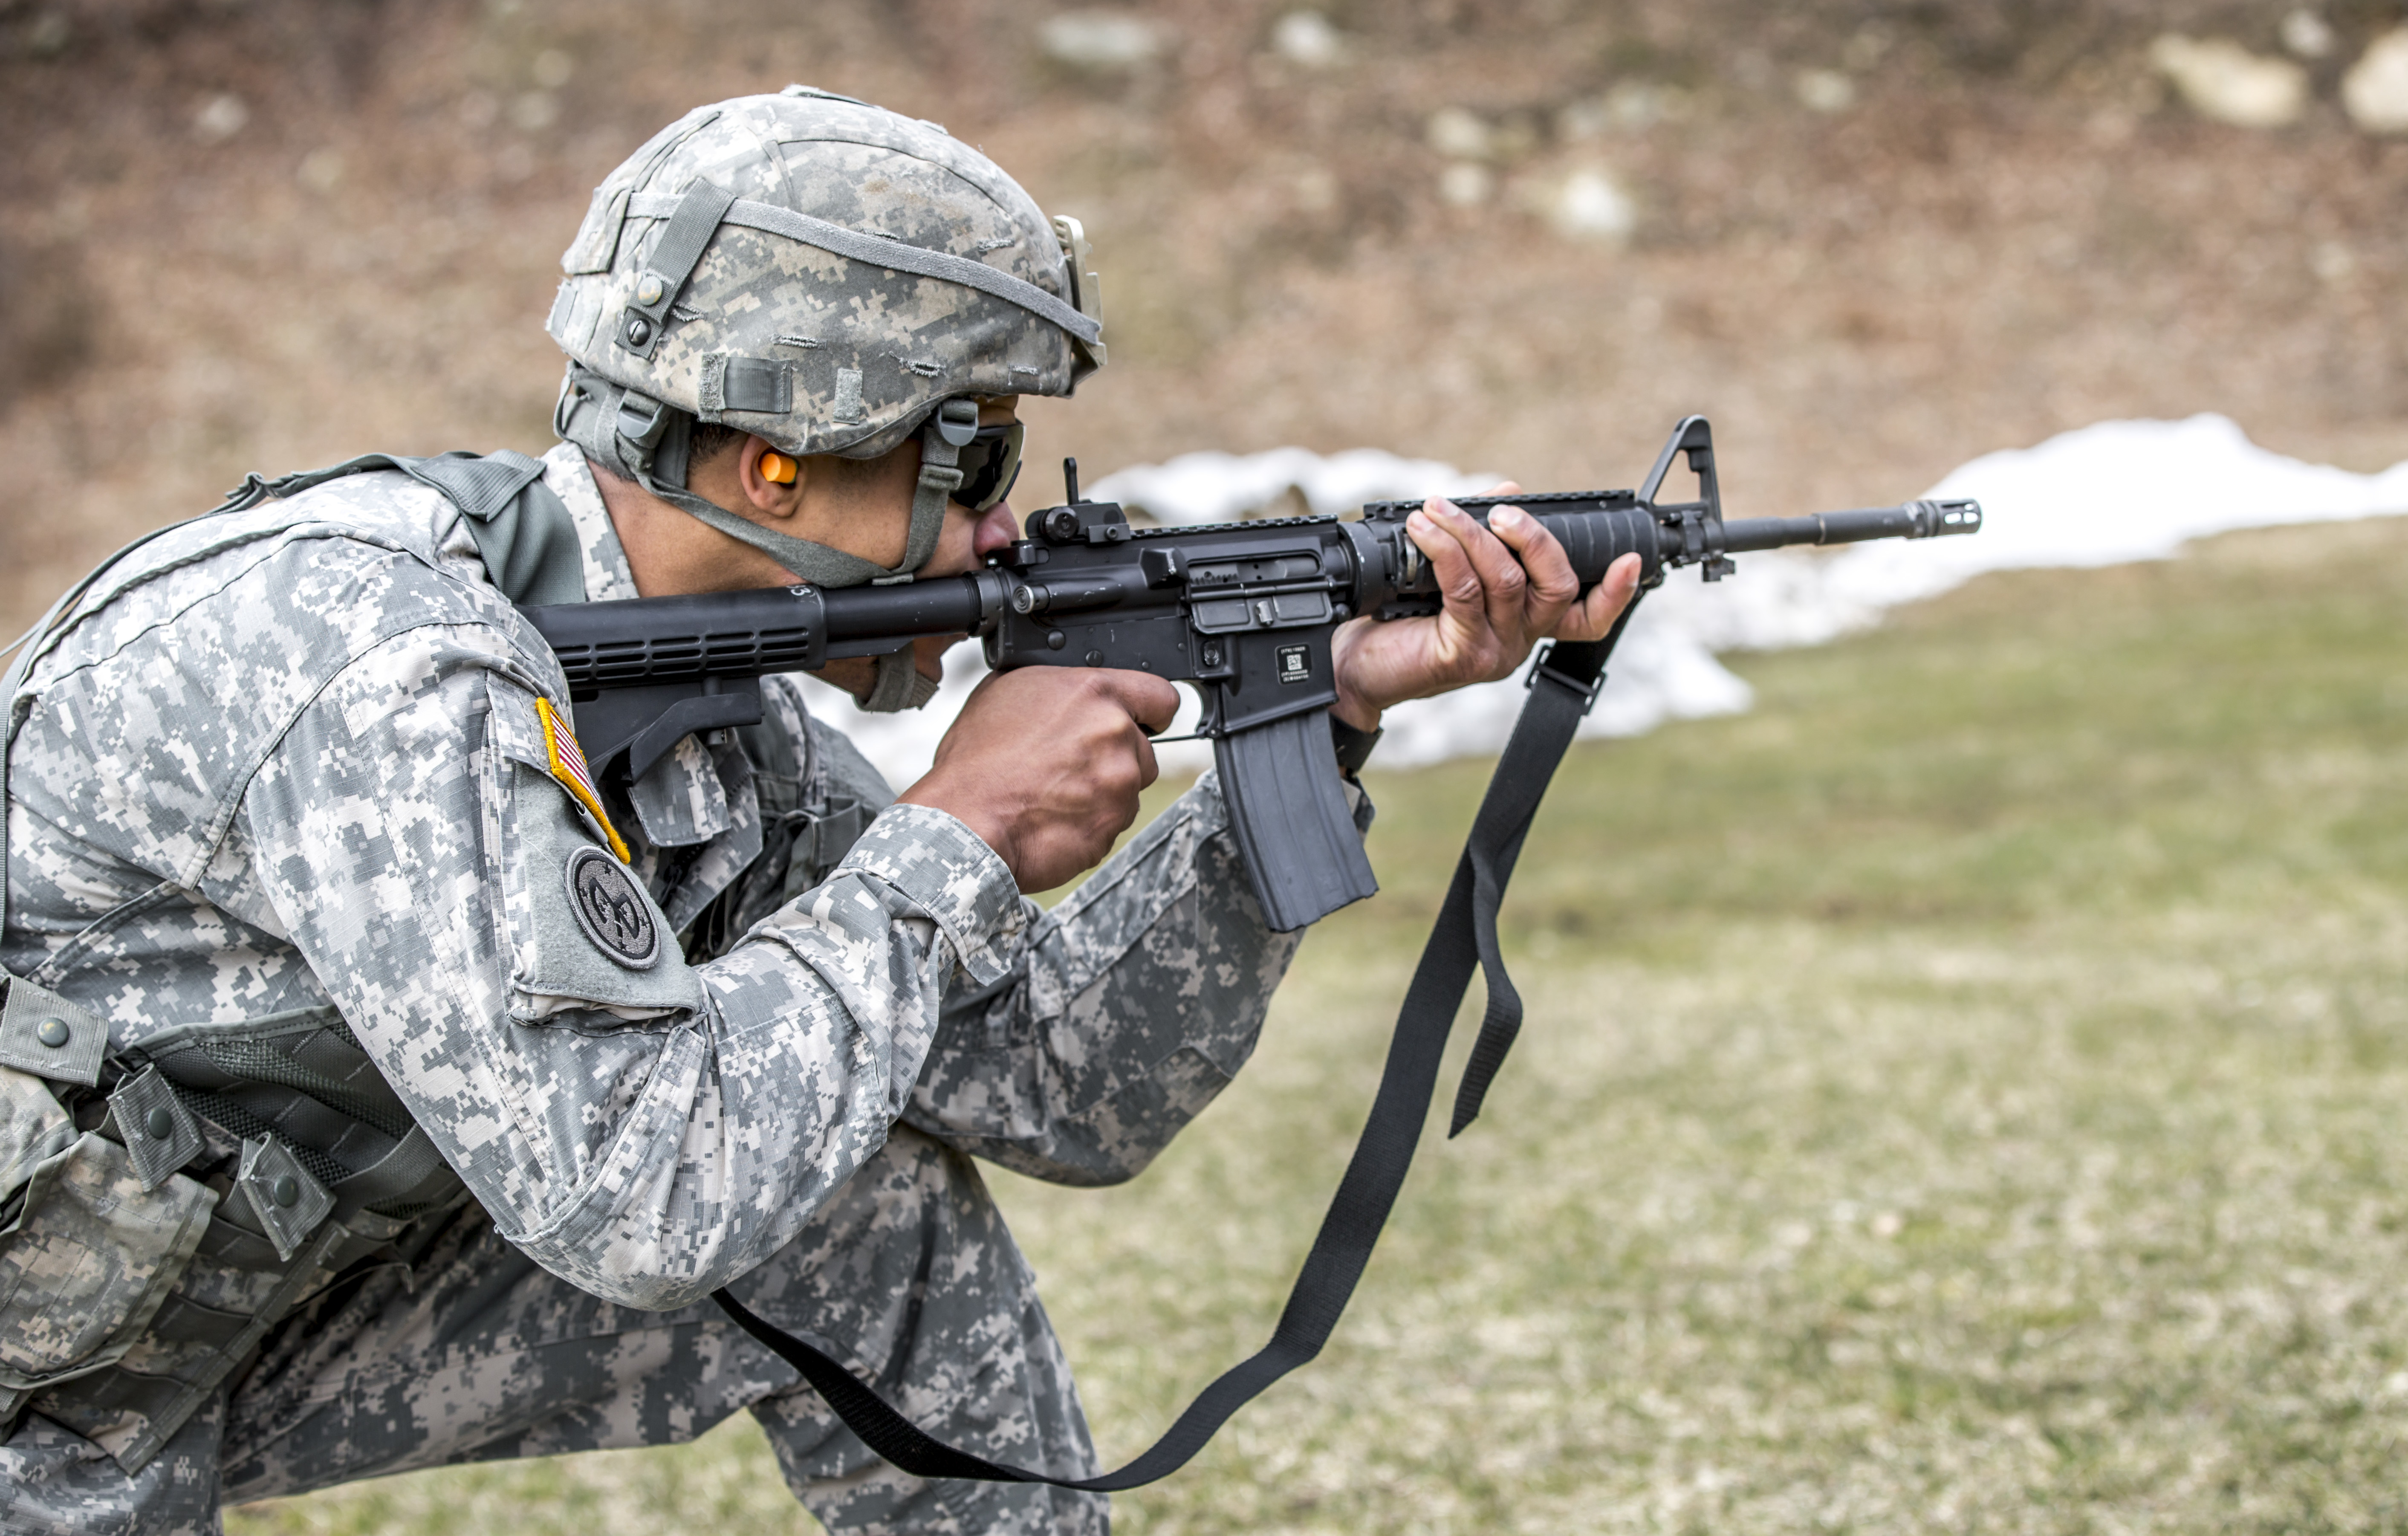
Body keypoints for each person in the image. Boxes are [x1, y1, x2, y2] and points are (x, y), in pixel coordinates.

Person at [0, 89, 1639, 1535]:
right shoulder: (370, 663)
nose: (1001, 528)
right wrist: (957, 828)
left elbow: (1058, 1085)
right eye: (972, 459)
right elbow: (642, 1197)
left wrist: (1317, 710)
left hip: (189, 1338)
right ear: (777, 461)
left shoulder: (708, 720)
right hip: (41, 1411)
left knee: (867, 1209)